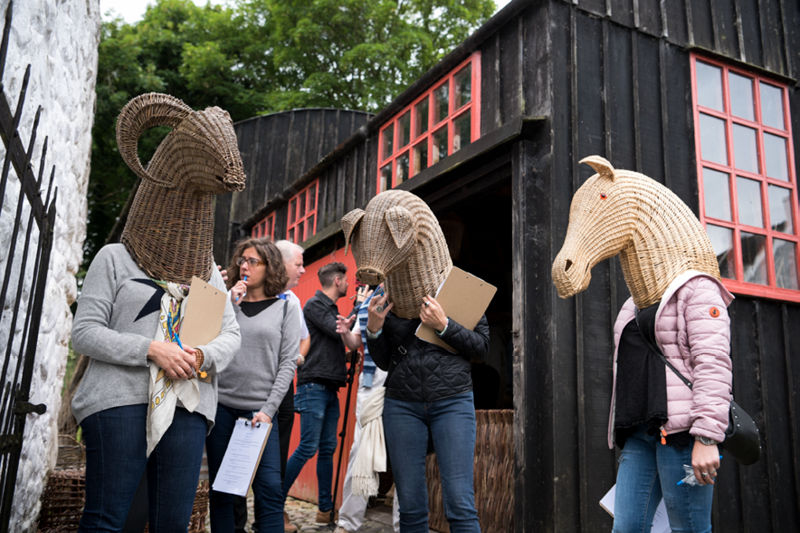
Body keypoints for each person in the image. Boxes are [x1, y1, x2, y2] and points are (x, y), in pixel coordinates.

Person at [71, 243, 241, 532]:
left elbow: (230, 334)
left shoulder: (207, 268)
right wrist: (151, 349)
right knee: (107, 522)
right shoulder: (114, 256)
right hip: (119, 398)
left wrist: (201, 356)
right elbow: (85, 332)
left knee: (174, 525)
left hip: (187, 404)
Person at [609, 273, 733, 533]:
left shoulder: (698, 288)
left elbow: (712, 364)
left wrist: (706, 437)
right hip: (640, 431)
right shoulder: (632, 301)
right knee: (625, 528)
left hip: (682, 435)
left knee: (689, 529)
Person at [366, 291, 489, 533]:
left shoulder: (460, 286)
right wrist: (374, 330)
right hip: (401, 404)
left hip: (452, 400)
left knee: (460, 504)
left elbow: (481, 347)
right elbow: (384, 362)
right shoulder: (389, 293)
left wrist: (444, 325)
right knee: (410, 507)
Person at [206, 238, 301, 533]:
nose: (244, 266)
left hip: (259, 412)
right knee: (221, 491)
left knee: (269, 489)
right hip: (221, 407)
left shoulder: (286, 309)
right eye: (242, 260)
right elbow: (207, 344)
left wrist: (269, 411)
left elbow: (287, 364)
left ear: (270, 267)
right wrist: (227, 303)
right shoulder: (226, 303)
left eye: (252, 261)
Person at [233, 239, 310, 533]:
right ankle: (239, 521)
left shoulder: (290, 302)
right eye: (298, 264)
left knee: (271, 469)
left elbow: (302, 341)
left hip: (275, 393)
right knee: (233, 472)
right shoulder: (234, 299)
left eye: (252, 261)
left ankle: (270, 516)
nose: (302, 270)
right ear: (282, 262)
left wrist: (293, 359)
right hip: (235, 395)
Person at [282, 262, 361, 525]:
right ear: (337, 281)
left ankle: (324, 511)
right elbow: (337, 330)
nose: (348, 284)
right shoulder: (315, 305)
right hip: (313, 386)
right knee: (308, 447)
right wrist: (360, 307)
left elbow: (327, 346)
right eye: (346, 280)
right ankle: (272, 503)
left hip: (328, 387)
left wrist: (346, 358)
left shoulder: (330, 309)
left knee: (327, 449)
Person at [334, 284, 400, 533]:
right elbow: (355, 342)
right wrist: (345, 333)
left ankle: (405, 526)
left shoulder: (411, 292)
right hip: (372, 385)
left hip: (404, 383)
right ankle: (347, 524)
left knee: (407, 455)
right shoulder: (369, 299)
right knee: (360, 452)